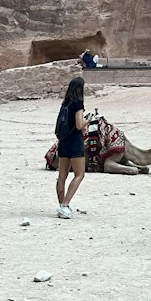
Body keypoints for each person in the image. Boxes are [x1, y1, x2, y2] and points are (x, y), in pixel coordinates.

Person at [55, 76, 86, 219]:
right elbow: (79, 125)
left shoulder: (65, 104)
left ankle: (61, 205)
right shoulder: (78, 104)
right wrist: (89, 120)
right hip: (74, 142)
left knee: (62, 176)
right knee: (79, 175)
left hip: (63, 142)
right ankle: (66, 204)